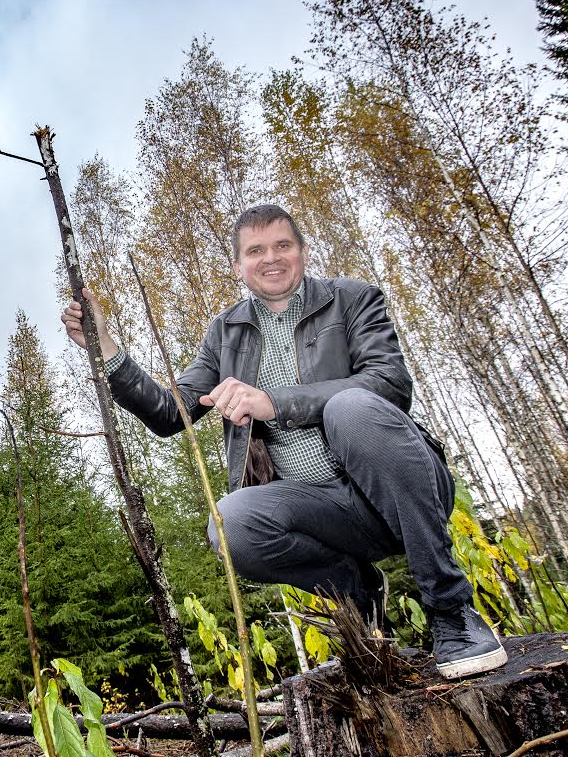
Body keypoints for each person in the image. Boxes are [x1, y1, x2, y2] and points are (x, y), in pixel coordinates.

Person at [61, 204, 508, 680]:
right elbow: (172, 413)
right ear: (237, 266)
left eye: (283, 246)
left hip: (403, 491)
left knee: (351, 408)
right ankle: (358, 593)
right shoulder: (225, 334)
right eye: (255, 251)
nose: (271, 258)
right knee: (230, 523)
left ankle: (451, 611)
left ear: (302, 252)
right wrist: (106, 348)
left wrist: (274, 402)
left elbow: (390, 384)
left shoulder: (353, 300)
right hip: (324, 514)